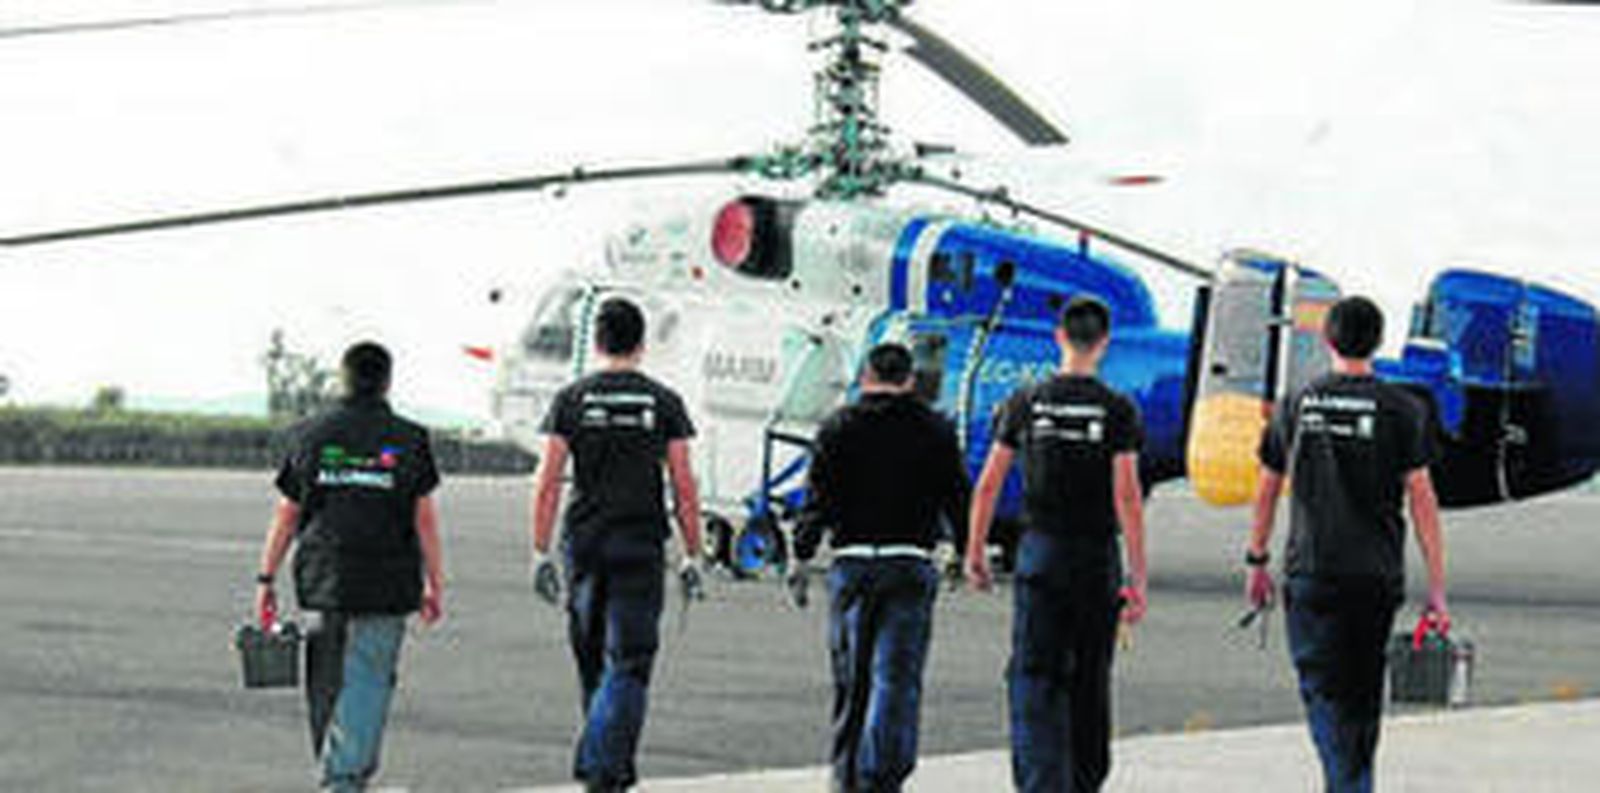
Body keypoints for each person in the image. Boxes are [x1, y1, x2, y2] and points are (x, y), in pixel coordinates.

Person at [1243, 295, 1449, 793]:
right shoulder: (1403, 409)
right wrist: (1437, 588)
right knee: (1361, 697)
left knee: (1325, 695)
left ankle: (1348, 785)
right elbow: (1423, 500)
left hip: (1312, 574)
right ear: (1378, 342)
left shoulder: (1296, 403)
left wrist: (1257, 559)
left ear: (1327, 339)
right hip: (1375, 577)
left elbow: (1267, 489)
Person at [965, 296, 1148, 793]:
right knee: (1090, 674)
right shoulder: (1118, 409)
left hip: (1040, 553)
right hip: (1096, 558)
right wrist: (1137, 577)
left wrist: (975, 551)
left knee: (1034, 674)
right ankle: (1085, 778)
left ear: (1059, 337)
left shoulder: (1025, 401)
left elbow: (989, 483)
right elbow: (1127, 496)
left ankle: (1040, 779)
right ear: (1104, 343)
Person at [528, 296, 706, 793]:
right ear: (642, 343)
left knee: (592, 660)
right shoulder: (665, 402)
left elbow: (548, 480)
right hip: (640, 546)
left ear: (597, 341)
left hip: (585, 544)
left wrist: (539, 550)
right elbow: (684, 485)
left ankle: (605, 767)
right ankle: (606, 767)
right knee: (629, 661)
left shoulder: (571, 399)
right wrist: (693, 553)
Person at [254, 341, 446, 793]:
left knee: (325, 681)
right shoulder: (410, 438)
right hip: (387, 582)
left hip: (325, 579)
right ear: (387, 381)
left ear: (344, 379)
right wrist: (434, 582)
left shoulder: (309, 435)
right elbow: (424, 518)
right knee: (370, 680)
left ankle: (339, 772)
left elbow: (287, 512)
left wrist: (266, 578)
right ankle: (344, 777)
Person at [788, 342, 970, 793]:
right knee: (896, 679)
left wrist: (802, 552)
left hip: (852, 563)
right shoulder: (935, 428)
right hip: (908, 561)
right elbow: (957, 496)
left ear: (866, 376)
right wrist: (965, 550)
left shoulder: (837, 427)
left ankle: (846, 776)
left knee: (851, 680)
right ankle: (883, 775)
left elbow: (817, 499)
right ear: (909, 380)